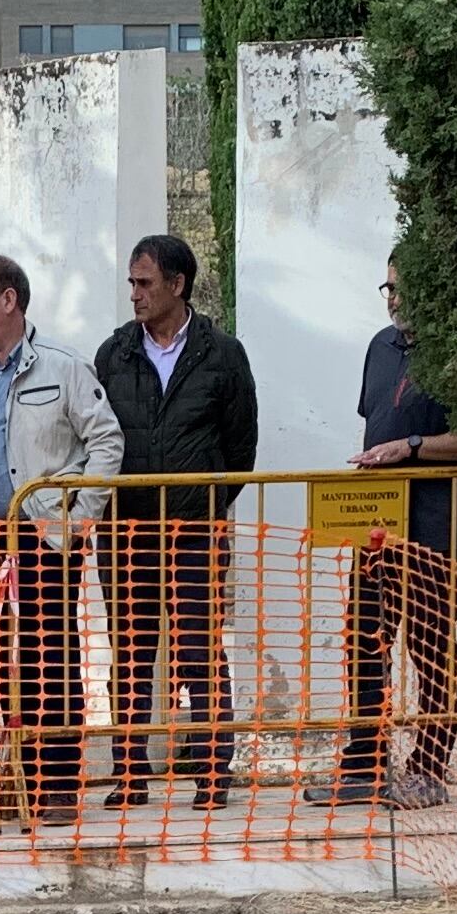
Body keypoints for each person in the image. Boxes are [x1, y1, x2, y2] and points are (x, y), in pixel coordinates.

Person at [91, 233, 261, 810]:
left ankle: (213, 771)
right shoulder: (114, 354)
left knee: (199, 651)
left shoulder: (223, 354)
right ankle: (130, 773)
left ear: (177, 285)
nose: (134, 294)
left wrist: (204, 505)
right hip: (125, 533)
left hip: (194, 532)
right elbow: (98, 439)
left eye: (145, 283)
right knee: (132, 654)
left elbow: (241, 448)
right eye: (132, 283)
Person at [0, 253, 122, 825]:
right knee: (3, 662)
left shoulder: (62, 367)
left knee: (52, 658)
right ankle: (17, 783)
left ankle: (57, 787)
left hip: (43, 538)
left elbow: (106, 444)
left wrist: (73, 520)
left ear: (9, 300)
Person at [314, 267, 457, 807]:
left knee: (429, 648)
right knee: (364, 641)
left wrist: (409, 446)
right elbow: (376, 423)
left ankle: (428, 770)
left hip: (436, 526)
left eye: (406, 284)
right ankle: (363, 765)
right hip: (378, 527)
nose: (395, 297)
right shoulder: (379, 348)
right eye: (389, 287)